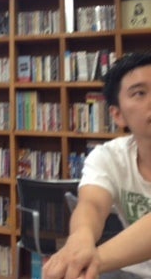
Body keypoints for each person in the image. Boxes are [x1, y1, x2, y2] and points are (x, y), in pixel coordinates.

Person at [43, 52, 151, 279]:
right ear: (117, 115)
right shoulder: (109, 156)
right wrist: (79, 239)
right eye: (140, 93)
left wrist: (85, 263)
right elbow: (91, 204)